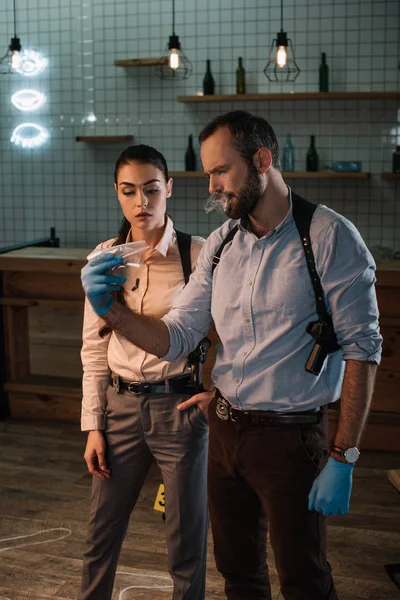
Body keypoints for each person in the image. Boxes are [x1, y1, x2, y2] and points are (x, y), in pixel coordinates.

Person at [81, 112, 382, 600]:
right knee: (238, 574)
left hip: (290, 440)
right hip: (224, 433)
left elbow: (363, 350)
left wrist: (344, 455)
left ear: (261, 161)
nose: (214, 187)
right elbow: (177, 335)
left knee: (303, 578)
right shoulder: (222, 245)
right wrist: (108, 310)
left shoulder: (327, 236)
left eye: (222, 171)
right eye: (207, 175)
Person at [78, 145, 209, 600]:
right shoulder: (105, 257)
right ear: (116, 193)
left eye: (152, 190)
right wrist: (94, 425)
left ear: (169, 188)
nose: (142, 203)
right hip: (119, 409)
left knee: (186, 537)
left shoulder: (200, 254)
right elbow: (93, 353)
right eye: (129, 191)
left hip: (180, 408)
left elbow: (225, 337)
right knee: (101, 532)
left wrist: (217, 395)